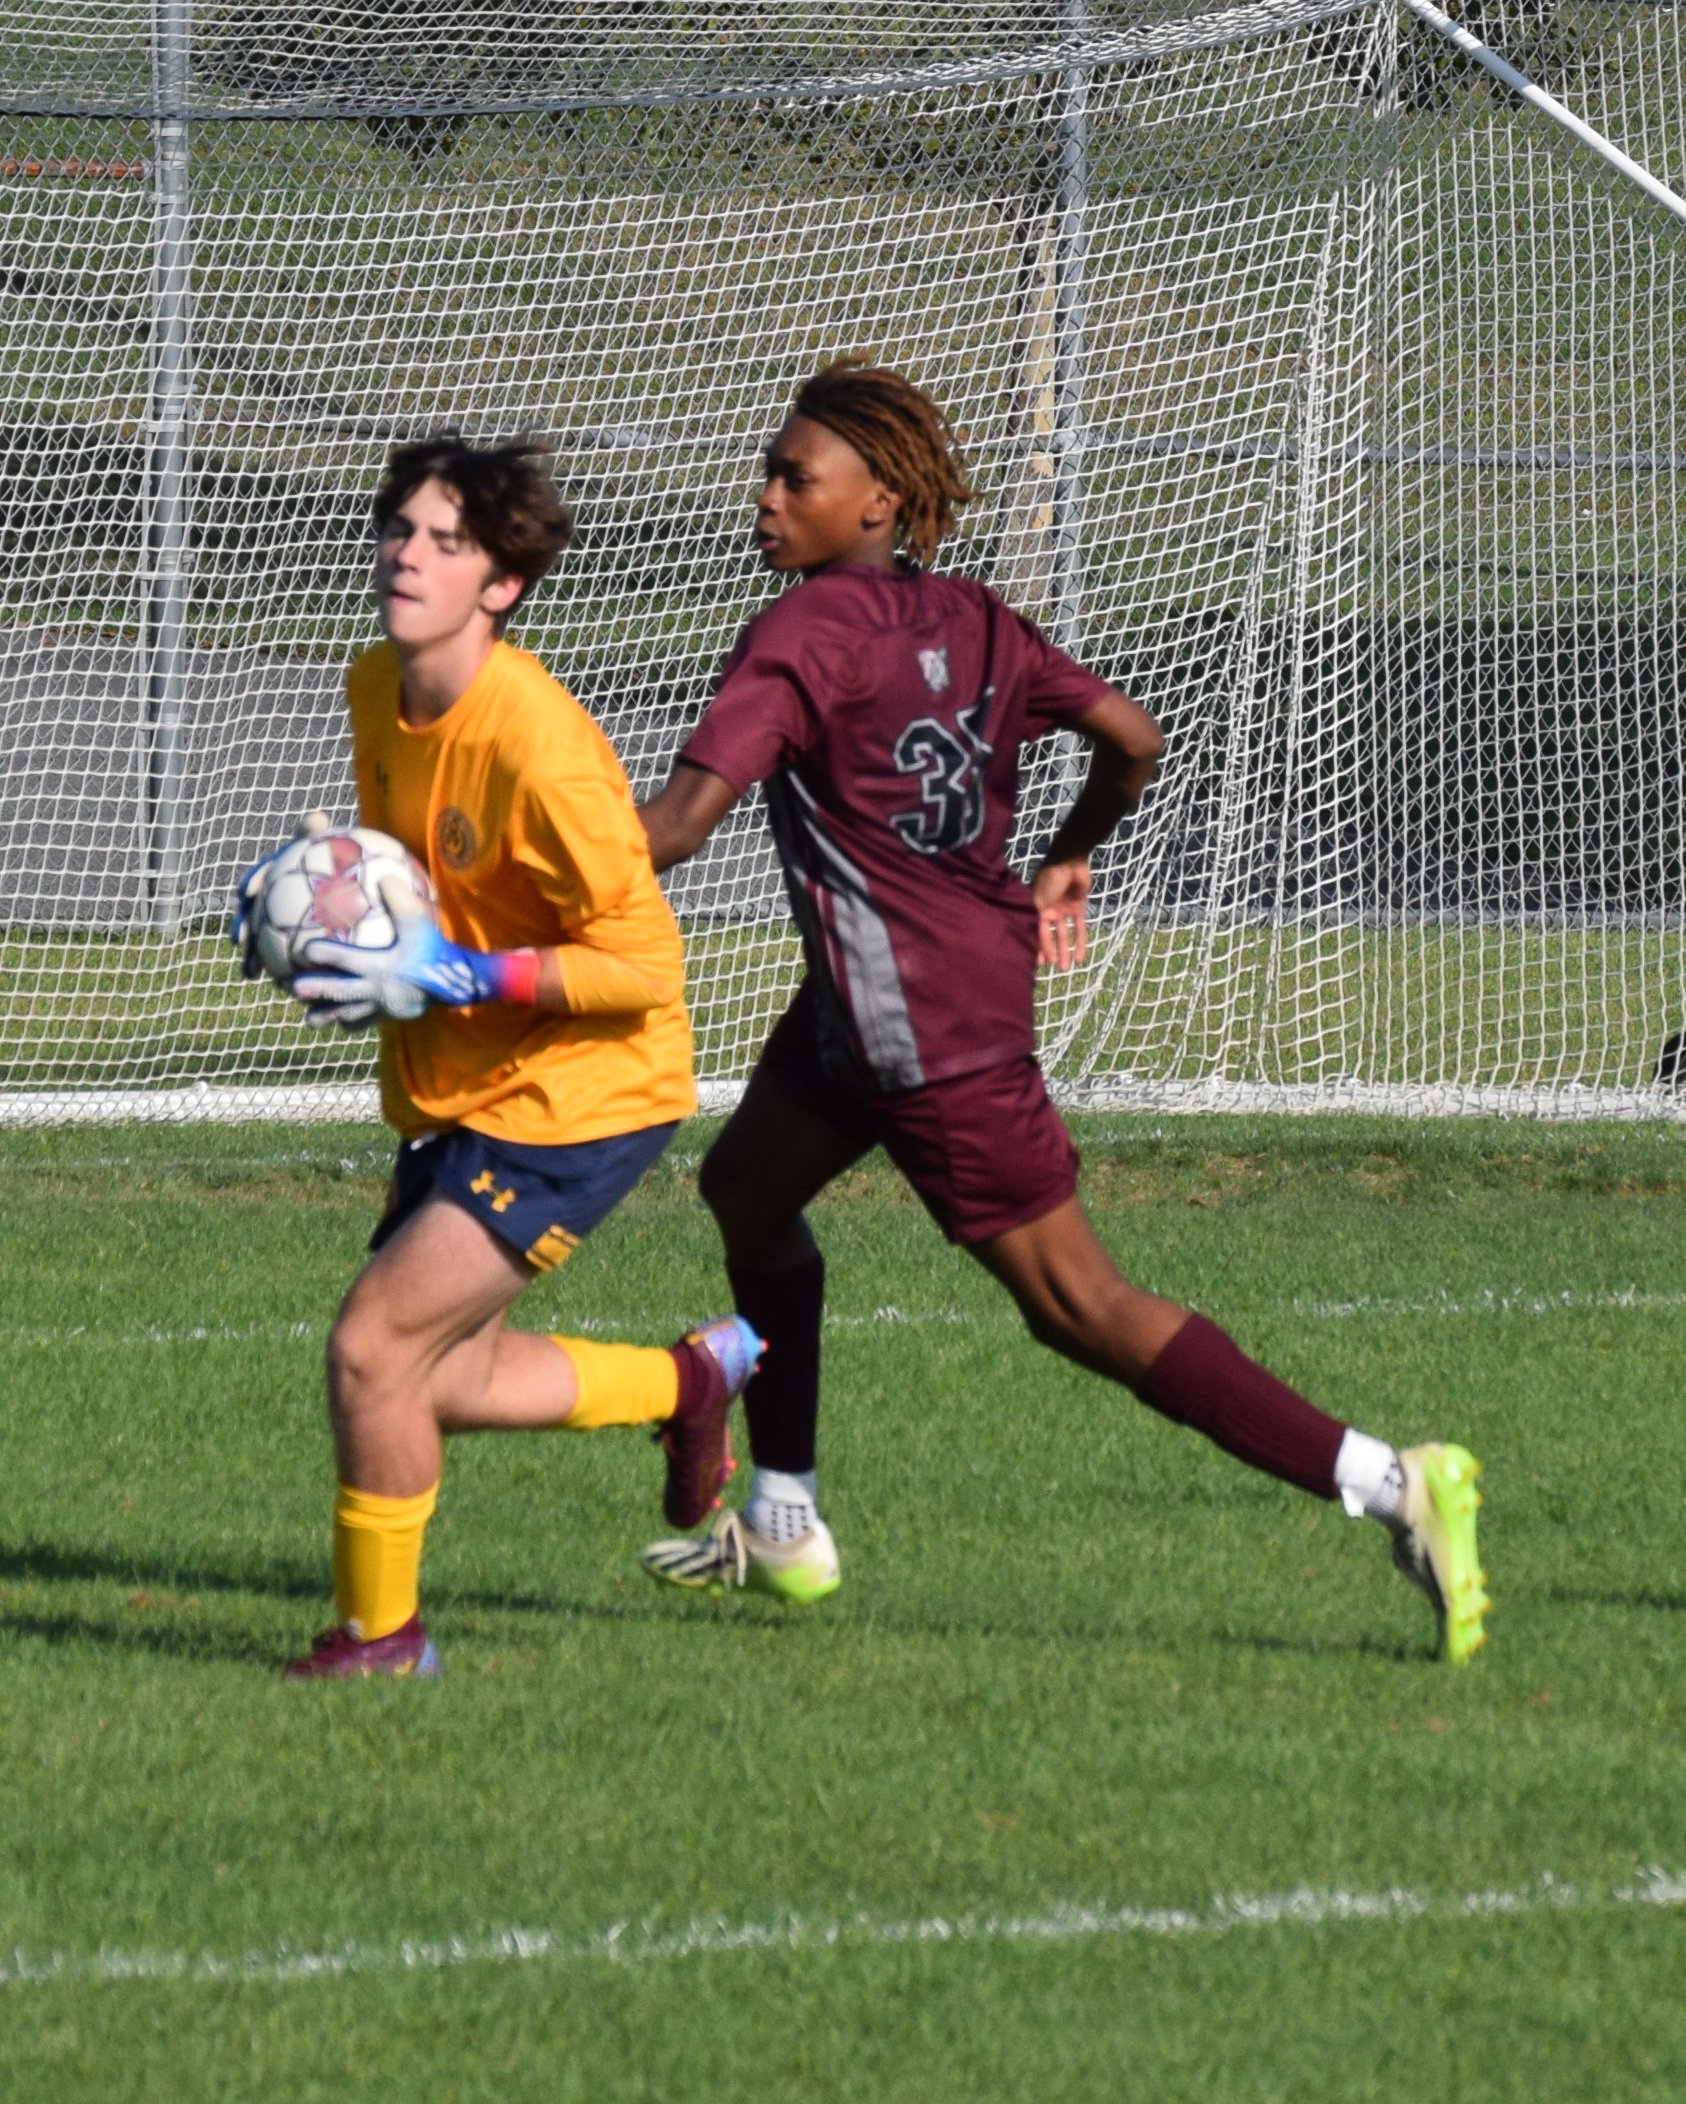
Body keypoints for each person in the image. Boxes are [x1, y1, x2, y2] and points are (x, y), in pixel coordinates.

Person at [634, 357, 1490, 1663]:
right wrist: (1072, 849)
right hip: (880, 1004)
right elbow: (1132, 736)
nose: (765, 496)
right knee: (746, 1189)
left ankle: (1391, 1480)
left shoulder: (800, 634)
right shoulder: (978, 618)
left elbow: (675, 829)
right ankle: (786, 1519)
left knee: (1078, 1305)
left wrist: (472, 873)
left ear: (876, 503)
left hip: (922, 1034)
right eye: (770, 473)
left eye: (793, 478)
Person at [231, 432, 760, 1679]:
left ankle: (383, 1639)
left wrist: (464, 973)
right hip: (464, 1074)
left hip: (585, 1086)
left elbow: (643, 967)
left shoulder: (541, 745)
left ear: (502, 583)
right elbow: (408, 878)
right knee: (438, 1375)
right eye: (399, 529)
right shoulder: (375, 683)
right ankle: (683, 1384)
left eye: (446, 542)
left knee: (373, 1348)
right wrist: (318, 907)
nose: (407, 555)